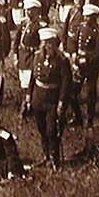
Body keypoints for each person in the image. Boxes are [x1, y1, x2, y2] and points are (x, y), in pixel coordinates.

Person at [27, 26, 71, 168]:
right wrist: (28, 95)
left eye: (50, 42)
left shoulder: (62, 60)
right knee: (41, 129)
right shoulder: (36, 58)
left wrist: (61, 103)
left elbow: (66, 83)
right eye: (45, 43)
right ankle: (45, 155)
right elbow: (32, 78)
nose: (48, 46)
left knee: (52, 130)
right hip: (38, 98)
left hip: (53, 100)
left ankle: (54, 158)